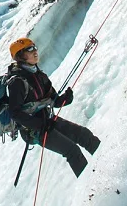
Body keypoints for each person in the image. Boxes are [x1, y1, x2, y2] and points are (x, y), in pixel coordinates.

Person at [6, 37, 101, 177]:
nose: (35, 51)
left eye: (35, 47)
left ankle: (107, 165)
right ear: (20, 56)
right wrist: (40, 125)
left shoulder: (39, 75)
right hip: (33, 130)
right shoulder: (17, 82)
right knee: (72, 151)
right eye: (29, 49)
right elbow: (15, 113)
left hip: (48, 121)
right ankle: (93, 185)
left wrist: (65, 99)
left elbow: (54, 101)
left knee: (84, 135)